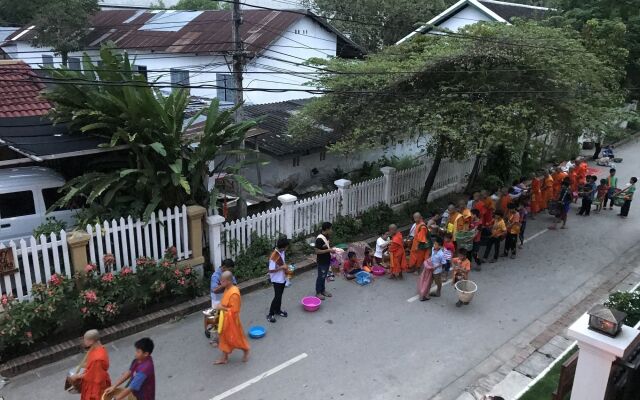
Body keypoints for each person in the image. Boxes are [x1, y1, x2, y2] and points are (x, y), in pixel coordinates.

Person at [214, 271, 250, 365]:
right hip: (224, 319)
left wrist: (221, 307)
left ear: (229, 281)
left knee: (235, 338)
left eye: (222, 281)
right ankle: (224, 358)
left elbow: (234, 311)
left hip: (232, 321)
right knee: (223, 338)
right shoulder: (227, 288)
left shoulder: (234, 293)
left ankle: (246, 350)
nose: (220, 283)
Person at [68, 330, 111, 400]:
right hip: (97, 378)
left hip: (95, 385)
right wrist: (81, 366)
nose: (84, 342)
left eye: (85, 340)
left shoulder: (98, 359)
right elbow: (91, 364)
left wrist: (76, 377)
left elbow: (92, 375)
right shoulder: (99, 347)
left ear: (91, 341)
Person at [207, 259, 237, 341]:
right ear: (223, 267)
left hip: (226, 299)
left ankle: (226, 335)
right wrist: (224, 285)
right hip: (217, 301)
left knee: (226, 318)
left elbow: (234, 284)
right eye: (229, 270)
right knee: (216, 320)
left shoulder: (229, 274)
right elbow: (214, 290)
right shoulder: (216, 276)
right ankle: (213, 338)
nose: (230, 273)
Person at [267, 237, 289, 323]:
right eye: (287, 246)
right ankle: (270, 314)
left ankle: (278, 310)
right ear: (283, 247)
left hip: (282, 277)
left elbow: (282, 262)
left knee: (280, 296)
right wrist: (282, 267)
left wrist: (285, 267)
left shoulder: (282, 252)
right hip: (276, 279)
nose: (287, 248)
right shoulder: (274, 256)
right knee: (277, 297)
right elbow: (271, 270)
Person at [418, 237, 445, 301]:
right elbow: (431, 256)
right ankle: (426, 293)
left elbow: (443, 263)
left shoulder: (441, 254)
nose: (434, 245)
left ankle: (438, 292)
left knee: (437, 281)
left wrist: (435, 267)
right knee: (428, 281)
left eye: (436, 245)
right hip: (430, 268)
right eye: (434, 244)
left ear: (440, 246)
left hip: (437, 271)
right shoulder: (433, 249)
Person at [315, 222, 336, 300]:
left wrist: (331, 249)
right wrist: (328, 250)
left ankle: (323, 290)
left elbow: (325, 247)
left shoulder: (326, 236)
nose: (331, 230)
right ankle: (318, 292)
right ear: (327, 229)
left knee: (324, 276)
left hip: (327, 259)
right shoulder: (319, 239)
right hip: (322, 261)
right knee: (321, 276)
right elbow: (317, 251)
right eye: (331, 228)